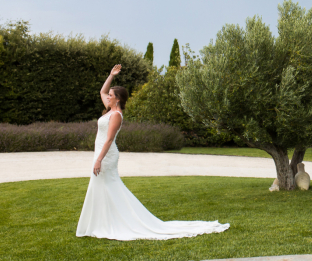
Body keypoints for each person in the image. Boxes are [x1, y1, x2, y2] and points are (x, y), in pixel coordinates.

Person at [77, 65, 230, 240]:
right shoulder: (110, 110)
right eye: (109, 95)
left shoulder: (116, 115)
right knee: (101, 187)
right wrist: (111, 75)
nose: (108, 96)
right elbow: (102, 91)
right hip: (101, 154)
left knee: (110, 187)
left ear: (117, 99)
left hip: (106, 155)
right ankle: (101, 223)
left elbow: (109, 140)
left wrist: (98, 160)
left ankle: (117, 222)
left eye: (111, 95)